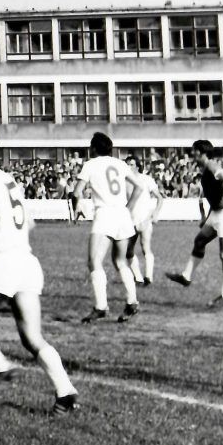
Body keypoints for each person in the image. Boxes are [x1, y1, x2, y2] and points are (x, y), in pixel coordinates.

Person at [0, 131, 79, 415]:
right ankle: (65, 391)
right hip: (27, 261)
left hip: (5, 263)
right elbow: (30, 222)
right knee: (32, 337)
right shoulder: (8, 179)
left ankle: (1, 368)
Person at [71, 132, 145, 324]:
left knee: (94, 261)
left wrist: (76, 207)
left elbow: (76, 192)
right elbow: (139, 187)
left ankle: (101, 306)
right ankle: (132, 301)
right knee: (120, 261)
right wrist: (128, 208)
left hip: (105, 215)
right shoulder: (120, 163)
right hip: (122, 214)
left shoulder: (90, 164)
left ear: (94, 148)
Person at [166, 140, 223, 307]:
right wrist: (207, 218)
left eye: (193, 151)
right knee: (199, 241)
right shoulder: (205, 168)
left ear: (201, 153)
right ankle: (186, 277)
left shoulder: (212, 166)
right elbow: (215, 195)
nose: (191, 153)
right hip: (216, 213)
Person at [125, 157, 165, 286]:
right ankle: (138, 277)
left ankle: (148, 277)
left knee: (145, 247)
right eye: (127, 164)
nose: (129, 167)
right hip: (130, 219)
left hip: (144, 218)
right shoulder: (122, 180)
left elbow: (159, 197)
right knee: (128, 251)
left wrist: (155, 213)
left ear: (137, 166)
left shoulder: (146, 179)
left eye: (131, 164)